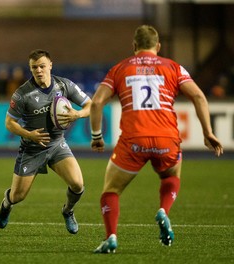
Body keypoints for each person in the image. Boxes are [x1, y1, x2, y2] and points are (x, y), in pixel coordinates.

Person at [89, 25, 223, 253]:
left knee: (111, 190)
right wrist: (207, 131)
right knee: (171, 175)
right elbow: (199, 95)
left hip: (134, 140)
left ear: (134, 47)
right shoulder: (173, 67)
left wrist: (96, 136)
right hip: (166, 138)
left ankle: (111, 236)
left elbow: (96, 102)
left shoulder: (119, 69)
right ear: (158, 46)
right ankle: (163, 210)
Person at [0, 49, 92, 234]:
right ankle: (6, 204)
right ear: (30, 69)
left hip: (57, 145)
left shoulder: (64, 85)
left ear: (50, 65)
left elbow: (91, 105)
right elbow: (9, 123)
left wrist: (77, 114)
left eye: (42, 66)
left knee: (78, 184)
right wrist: (29, 134)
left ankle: (68, 211)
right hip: (32, 149)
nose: (39, 70)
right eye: (34, 67)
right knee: (18, 196)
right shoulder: (22, 94)